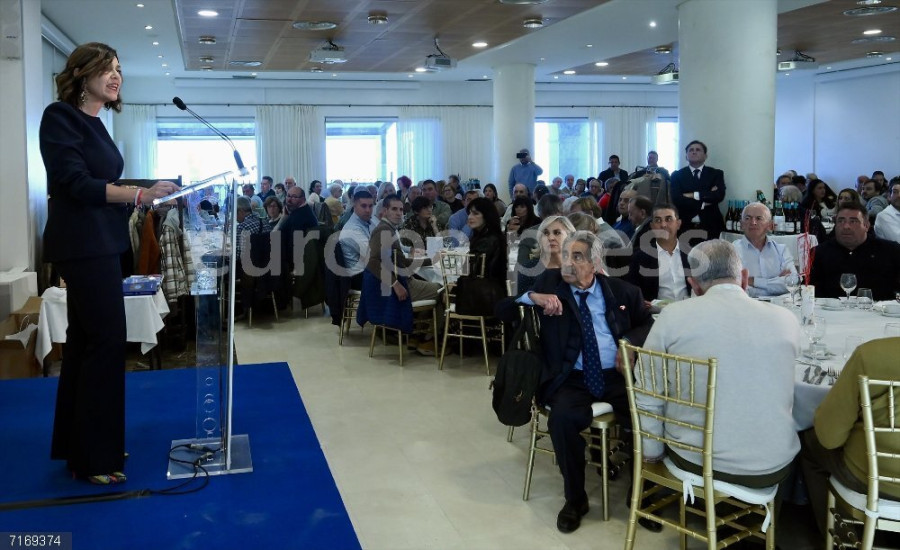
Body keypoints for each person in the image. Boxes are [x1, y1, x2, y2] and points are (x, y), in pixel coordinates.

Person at [39, 42, 181, 485]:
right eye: (107, 68)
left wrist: (143, 196)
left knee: (85, 342)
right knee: (105, 341)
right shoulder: (59, 116)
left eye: (119, 69)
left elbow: (102, 184)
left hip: (102, 242)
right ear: (82, 74)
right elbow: (76, 184)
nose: (116, 76)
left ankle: (79, 445)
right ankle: (94, 457)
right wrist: (138, 194)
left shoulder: (98, 122)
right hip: (82, 245)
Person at [637, 239, 801, 493]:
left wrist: (652, 453)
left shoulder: (672, 316)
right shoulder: (786, 319)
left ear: (694, 285)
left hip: (697, 460)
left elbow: (648, 391)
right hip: (774, 465)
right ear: (744, 278)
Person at [520, 231, 652, 533]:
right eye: (566, 256)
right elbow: (504, 307)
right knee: (562, 420)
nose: (568, 263)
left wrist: (628, 343)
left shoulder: (623, 292)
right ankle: (575, 499)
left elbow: (647, 322)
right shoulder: (552, 286)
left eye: (577, 257)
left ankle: (639, 493)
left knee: (647, 416)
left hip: (616, 376)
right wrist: (533, 297)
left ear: (595, 263)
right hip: (572, 378)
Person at [801, 337, 900, 536]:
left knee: (809, 443)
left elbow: (829, 438)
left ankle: (840, 536)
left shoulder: (873, 355)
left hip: (873, 476)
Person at [362, 195, 443, 356]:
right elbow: (372, 262)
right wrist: (395, 284)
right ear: (385, 211)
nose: (399, 213)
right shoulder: (383, 230)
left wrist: (432, 260)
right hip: (395, 286)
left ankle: (416, 336)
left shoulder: (389, 229)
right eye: (394, 209)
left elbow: (403, 262)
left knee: (433, 286)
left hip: (397, 281)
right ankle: (430, 340)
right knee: (443, 291)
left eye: (401, 209)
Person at [810, 202, 900, 301]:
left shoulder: (890, 251)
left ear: (866, 225)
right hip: (830, 309)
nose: (846, 226)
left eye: (853, 221)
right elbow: (809, 290)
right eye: (841, 221)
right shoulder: (818, 253)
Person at [626, 204, 691, 303]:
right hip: (656, 311)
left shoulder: (692, 253)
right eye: (658, 220)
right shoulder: (639, 257)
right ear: (652, 227)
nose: (663, 225)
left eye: (669, 219)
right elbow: (632, 290)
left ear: (678, 224)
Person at [732, 202, 797, 298]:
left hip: (777, 305)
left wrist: (754, 281)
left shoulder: (781, 250)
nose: (753, 222)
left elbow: (793, 281)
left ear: (770, 225)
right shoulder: (732, 250)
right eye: (748, 218)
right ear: (741, 225)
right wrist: (776, 283)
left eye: (759, 218)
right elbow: (736, 286)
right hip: (746, 304)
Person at [670, 140, 726, 239]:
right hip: (685, 226)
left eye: (698, 150)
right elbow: (677, 199)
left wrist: (692, 195)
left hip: (712, 226)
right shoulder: (677, 175)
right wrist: (704, 201)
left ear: (705, 156)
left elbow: (719, 195)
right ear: (686, 156)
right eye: (691, 150)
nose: (694, 152)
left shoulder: (716, 174)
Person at [339, 190, 379, 289]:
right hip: (360, 277)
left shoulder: (371, 220)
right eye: (363, 206)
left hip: (372, 270)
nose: (368, 210)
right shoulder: (351, 229)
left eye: (370, 206)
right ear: (354, 205)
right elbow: (373, 256)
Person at [466, 197, 508, 282]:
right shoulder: (486, 235)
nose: (470, 217)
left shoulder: (488, 240)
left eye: (475, 213)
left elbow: (473, 270)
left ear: (487, 216)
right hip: (486, 284)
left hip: (485, 286)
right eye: (469, 213)